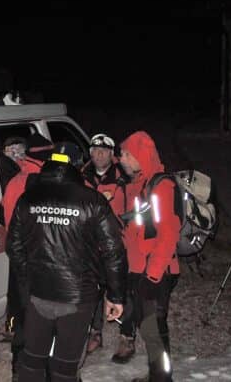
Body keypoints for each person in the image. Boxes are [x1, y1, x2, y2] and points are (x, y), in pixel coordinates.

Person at [6, 152, 127, 382]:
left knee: (32, 362)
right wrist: (115, 296)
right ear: (76, 168)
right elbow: (114, 251)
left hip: (38, 294)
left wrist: (29, 278)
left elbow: (13, 246)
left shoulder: (28, 199)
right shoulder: (93, 200)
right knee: (65, 367)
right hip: (78, 297)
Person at [0, 134, 55, 379]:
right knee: (45, 317)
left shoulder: (16, 182)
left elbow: (5, 219)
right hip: (46, 261)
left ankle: (19, 368)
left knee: (20, 311)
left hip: (19, 258)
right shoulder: (53, 183)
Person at [117, 131, 180, 382]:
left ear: (141, 156)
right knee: (147, 326)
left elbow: (168, 234)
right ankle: (157, 373)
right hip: (139, 267)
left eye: (126, 154)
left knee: (154, 329)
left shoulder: (161, 187)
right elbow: (138, 228)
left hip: (155, 271)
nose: (121, 159)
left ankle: (162, 377)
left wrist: (152, 276)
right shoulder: (142, 184)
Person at [80, 133, 133, 357]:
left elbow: (136, 207)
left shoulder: (125, 175)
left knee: (122, 288)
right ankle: (95, 333)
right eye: (95, 150)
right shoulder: (81, 175)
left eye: (104, 151)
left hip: (118, 242)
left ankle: (127, 336)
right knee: (92, 289)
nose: (99, 154)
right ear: (90, 153)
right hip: (91, 244)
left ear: (112, 154)